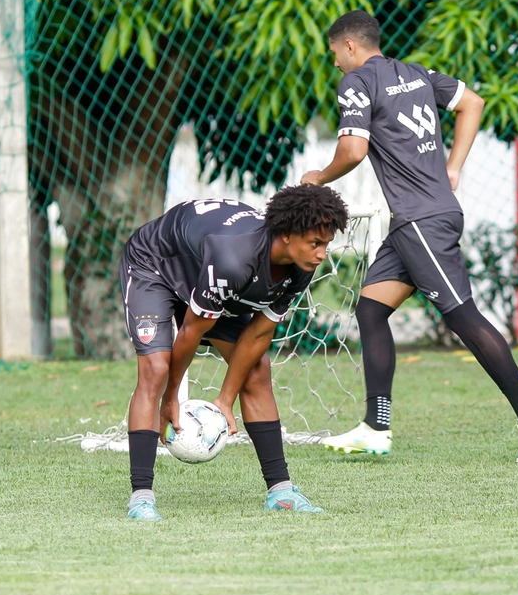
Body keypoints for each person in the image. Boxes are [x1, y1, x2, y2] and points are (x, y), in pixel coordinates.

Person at [302, 11, 518, 463]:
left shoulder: (356, 83)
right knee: (371, 308)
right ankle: (376, 427)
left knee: (462, 317)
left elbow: (354, 148)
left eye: (335, 57)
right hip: (417, 220)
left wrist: (318, 177)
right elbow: (473, 103)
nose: (337, 66)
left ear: (348, 47)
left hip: (422, 221)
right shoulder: (417, 74)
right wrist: (453, 165)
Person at [119, 184, 350, 521]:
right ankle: (141, 497)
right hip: (155, 263)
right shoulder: (233, 259)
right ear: (286, 234)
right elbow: (191, 331)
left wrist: (225, 400)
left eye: (326, 244)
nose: (321, 254)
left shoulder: (302, 265)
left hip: (203, 269)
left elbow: (259, 333)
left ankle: (281, 492)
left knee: (257, 369)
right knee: (156, 367)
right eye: (315, 244)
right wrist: (171, 398)